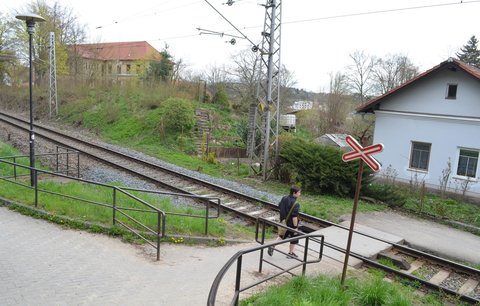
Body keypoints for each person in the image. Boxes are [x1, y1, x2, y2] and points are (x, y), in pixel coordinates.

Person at [268, 185, 301, 258]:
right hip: (291, 224)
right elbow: (294, 217)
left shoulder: (284, 198)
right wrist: (295, 227)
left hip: (283, 222)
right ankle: (290, 253)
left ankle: (272, 245)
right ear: (294, 193)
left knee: (281, 236)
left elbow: (279, 206)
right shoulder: (296, 204)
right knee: (294, 238)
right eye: (299, 192)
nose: (300, 194)